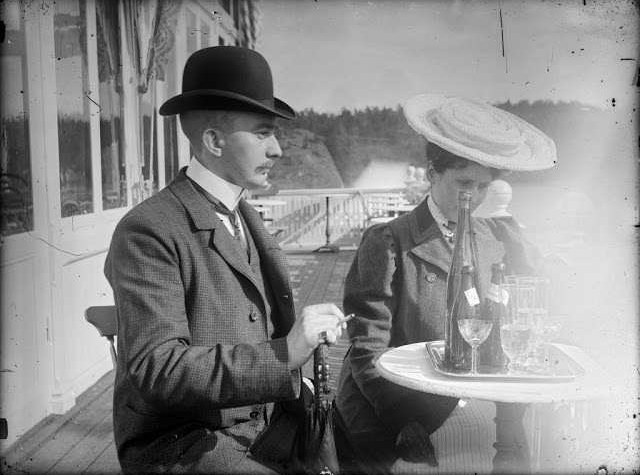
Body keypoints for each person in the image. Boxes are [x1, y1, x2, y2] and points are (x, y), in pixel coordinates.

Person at [104, 46, 346, 474]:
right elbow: (156, 368)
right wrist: (284, 354)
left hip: (268, 423)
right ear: (214, 141)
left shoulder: (243, 215)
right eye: (262, 133)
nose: (277, 150)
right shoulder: (147, 230)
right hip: (186, 442)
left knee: (367, 449)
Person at [335, 94, 556, 473]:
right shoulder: (390, 241)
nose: (474, 195)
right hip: (399, 401)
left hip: (475, 391)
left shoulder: (491, 241)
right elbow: (367, 345)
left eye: (484, 185)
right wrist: (403, 419)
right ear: (431, 173)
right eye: (463, 181)